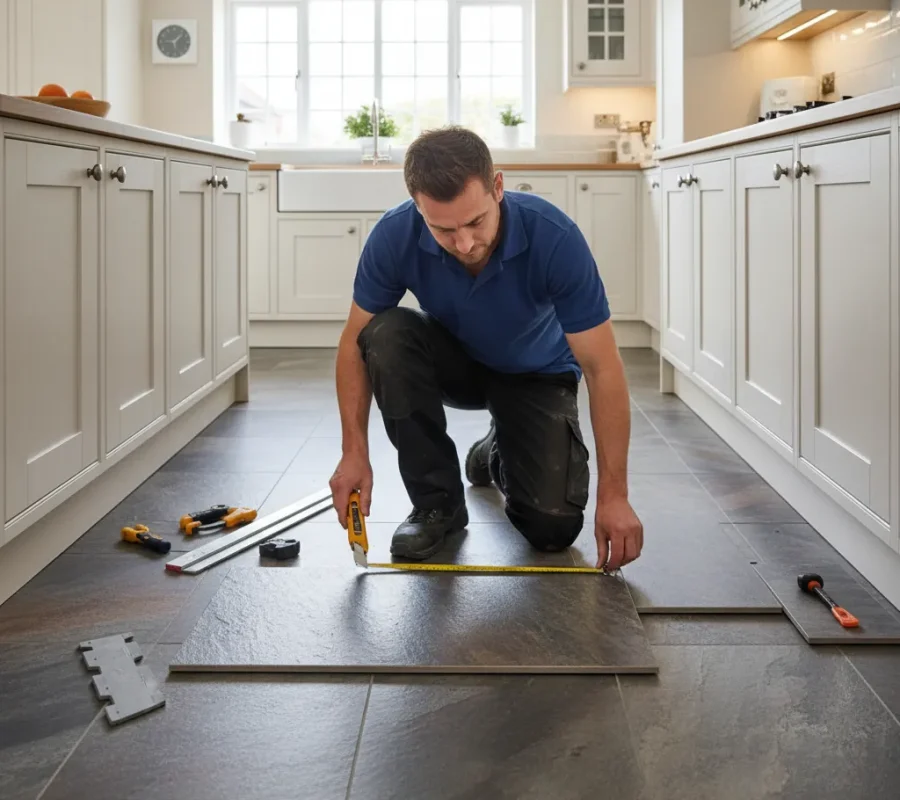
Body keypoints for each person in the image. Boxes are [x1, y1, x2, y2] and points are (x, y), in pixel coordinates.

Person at [328, 125, 643, 571]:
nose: (464, 243)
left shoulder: (555, 237)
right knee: (384, 334)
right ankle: (437, 505)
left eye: (476, 222)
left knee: (552, 529)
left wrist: (616, 495)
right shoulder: (394, 235)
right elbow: (351, 346)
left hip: (536, 373)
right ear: (418, 207)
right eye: (443, 230)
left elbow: (603, 368)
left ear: (498, 187)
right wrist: (353, 452)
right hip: (458, 364)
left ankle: (495, 450)